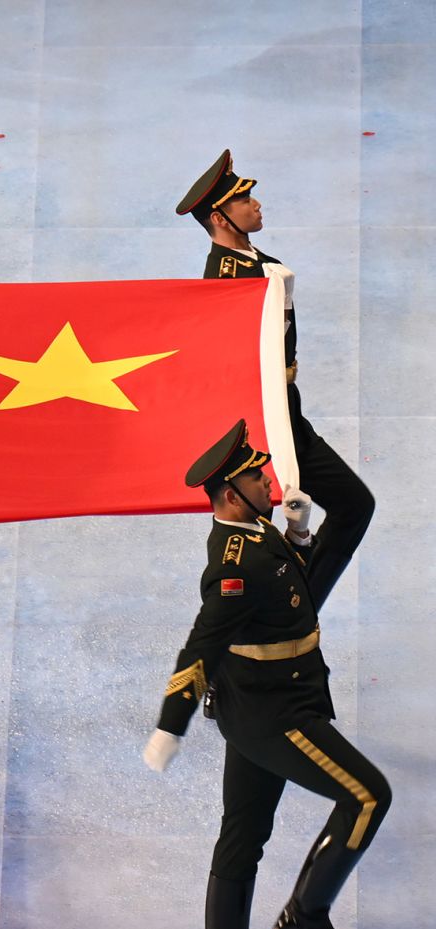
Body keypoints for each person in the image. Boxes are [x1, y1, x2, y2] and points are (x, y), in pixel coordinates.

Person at [142, 420, 390, 929]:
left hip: (266, 697)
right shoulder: (233, 565)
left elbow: (288, 592)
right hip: (276, 713)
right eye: (256, 475)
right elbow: (199, 647)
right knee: (367, 796)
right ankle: (305, 913)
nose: (266, 479)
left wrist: (300, 539)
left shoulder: (255, 532)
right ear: (231, 493)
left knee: (242, 836)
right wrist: (169, 725)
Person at [176, 150, 374, 608]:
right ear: (221, 218)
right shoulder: (228, 281)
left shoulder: (254, 259)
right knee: (254, 538)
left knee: (352, 506)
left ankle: (301, 607)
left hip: (289, 414)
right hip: (266, 425)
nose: (257, 204)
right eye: (245, 200)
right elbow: (226, 363)